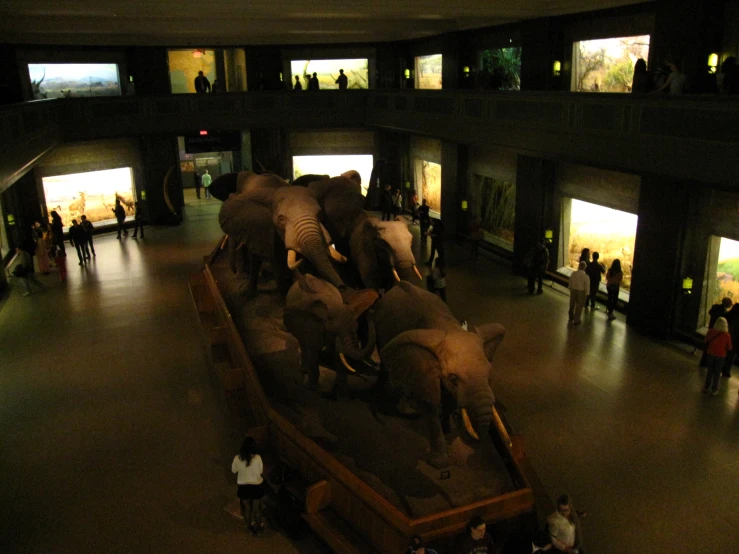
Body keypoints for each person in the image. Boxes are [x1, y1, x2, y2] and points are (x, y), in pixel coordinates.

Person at [232, 436, 265, 535]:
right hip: (256, 486)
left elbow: (233, 471)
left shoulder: (237, 458)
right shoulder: (258, 458)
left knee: (246, 509)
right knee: (257, 509)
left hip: (243, 487)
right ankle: (258, 528)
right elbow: (261, 472)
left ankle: (249, 529)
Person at [703, 316, 732, 396]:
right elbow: (729, 347)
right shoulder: (727, 335)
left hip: (710, 353)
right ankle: (714, 390)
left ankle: (706, 387)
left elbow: (706, 341)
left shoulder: (711, 331)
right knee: (717, 373)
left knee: (709, 371)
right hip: (721, 355)